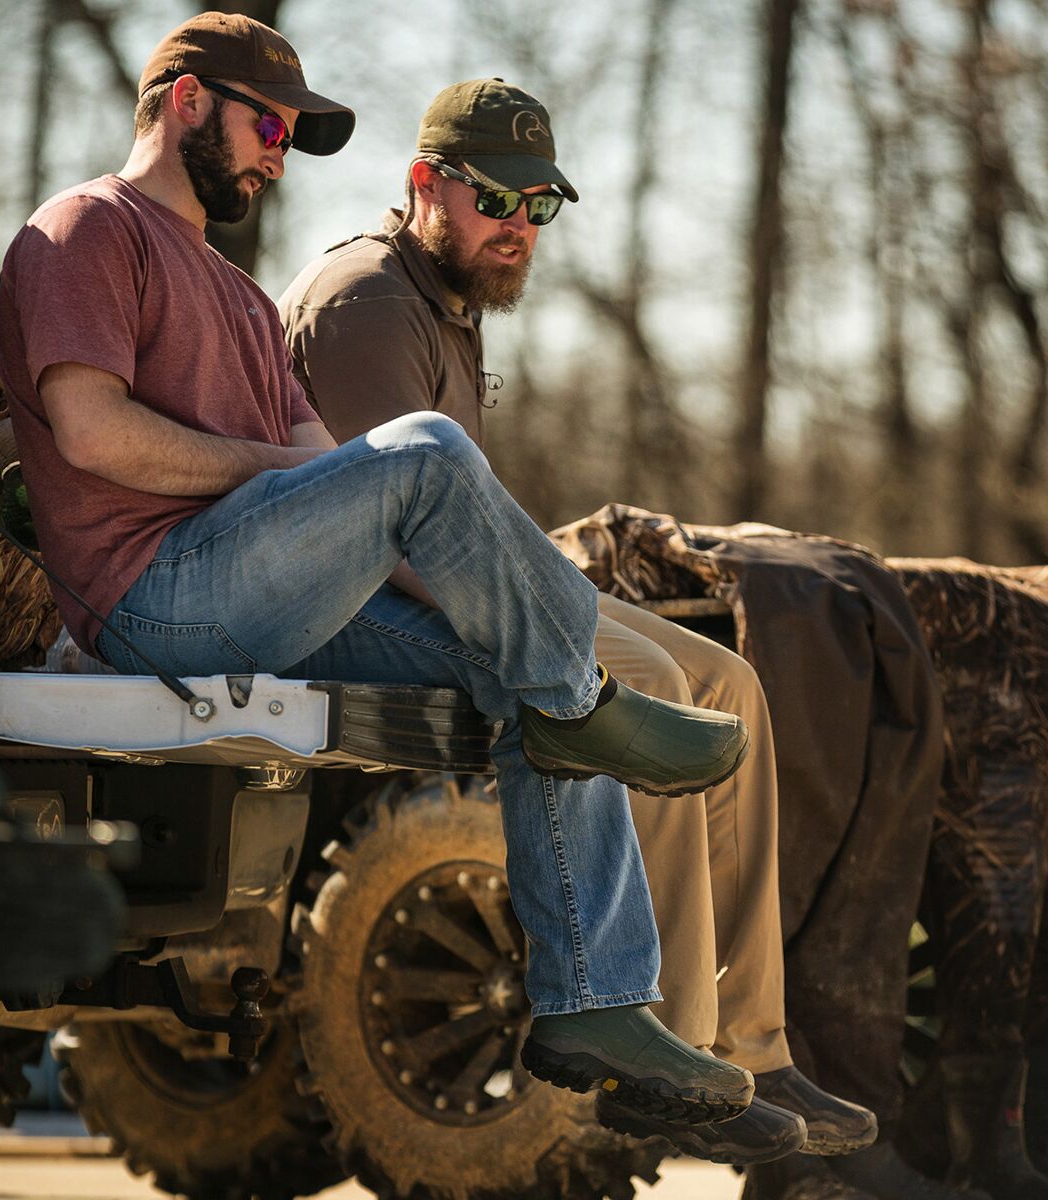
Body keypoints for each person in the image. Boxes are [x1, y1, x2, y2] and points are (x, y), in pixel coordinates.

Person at [0, 12, 760, 1132]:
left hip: (262, 603)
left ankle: (594, 998)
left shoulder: (244, 299)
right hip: (153, 599)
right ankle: (587, 700)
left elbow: (329, 474)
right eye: (271, 124)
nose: (279, 152)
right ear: (188, 101)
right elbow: (90, 433)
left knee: (522, 676)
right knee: (430, 455)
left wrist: (358, 511)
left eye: (293, 136)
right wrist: (287, 475)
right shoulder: (85, 230)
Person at [279, 77, 878, 1168]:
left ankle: (745, 1041)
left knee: (730, 681)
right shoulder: (368, 301)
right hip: (362, 607)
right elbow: (388, 544)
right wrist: (544, 612)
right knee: (646, 684)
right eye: (497, 202)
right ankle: (669, 1048)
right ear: (427, 186)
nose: (518, 229)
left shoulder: (441, 298)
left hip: (461, 580)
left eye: (538, 207)